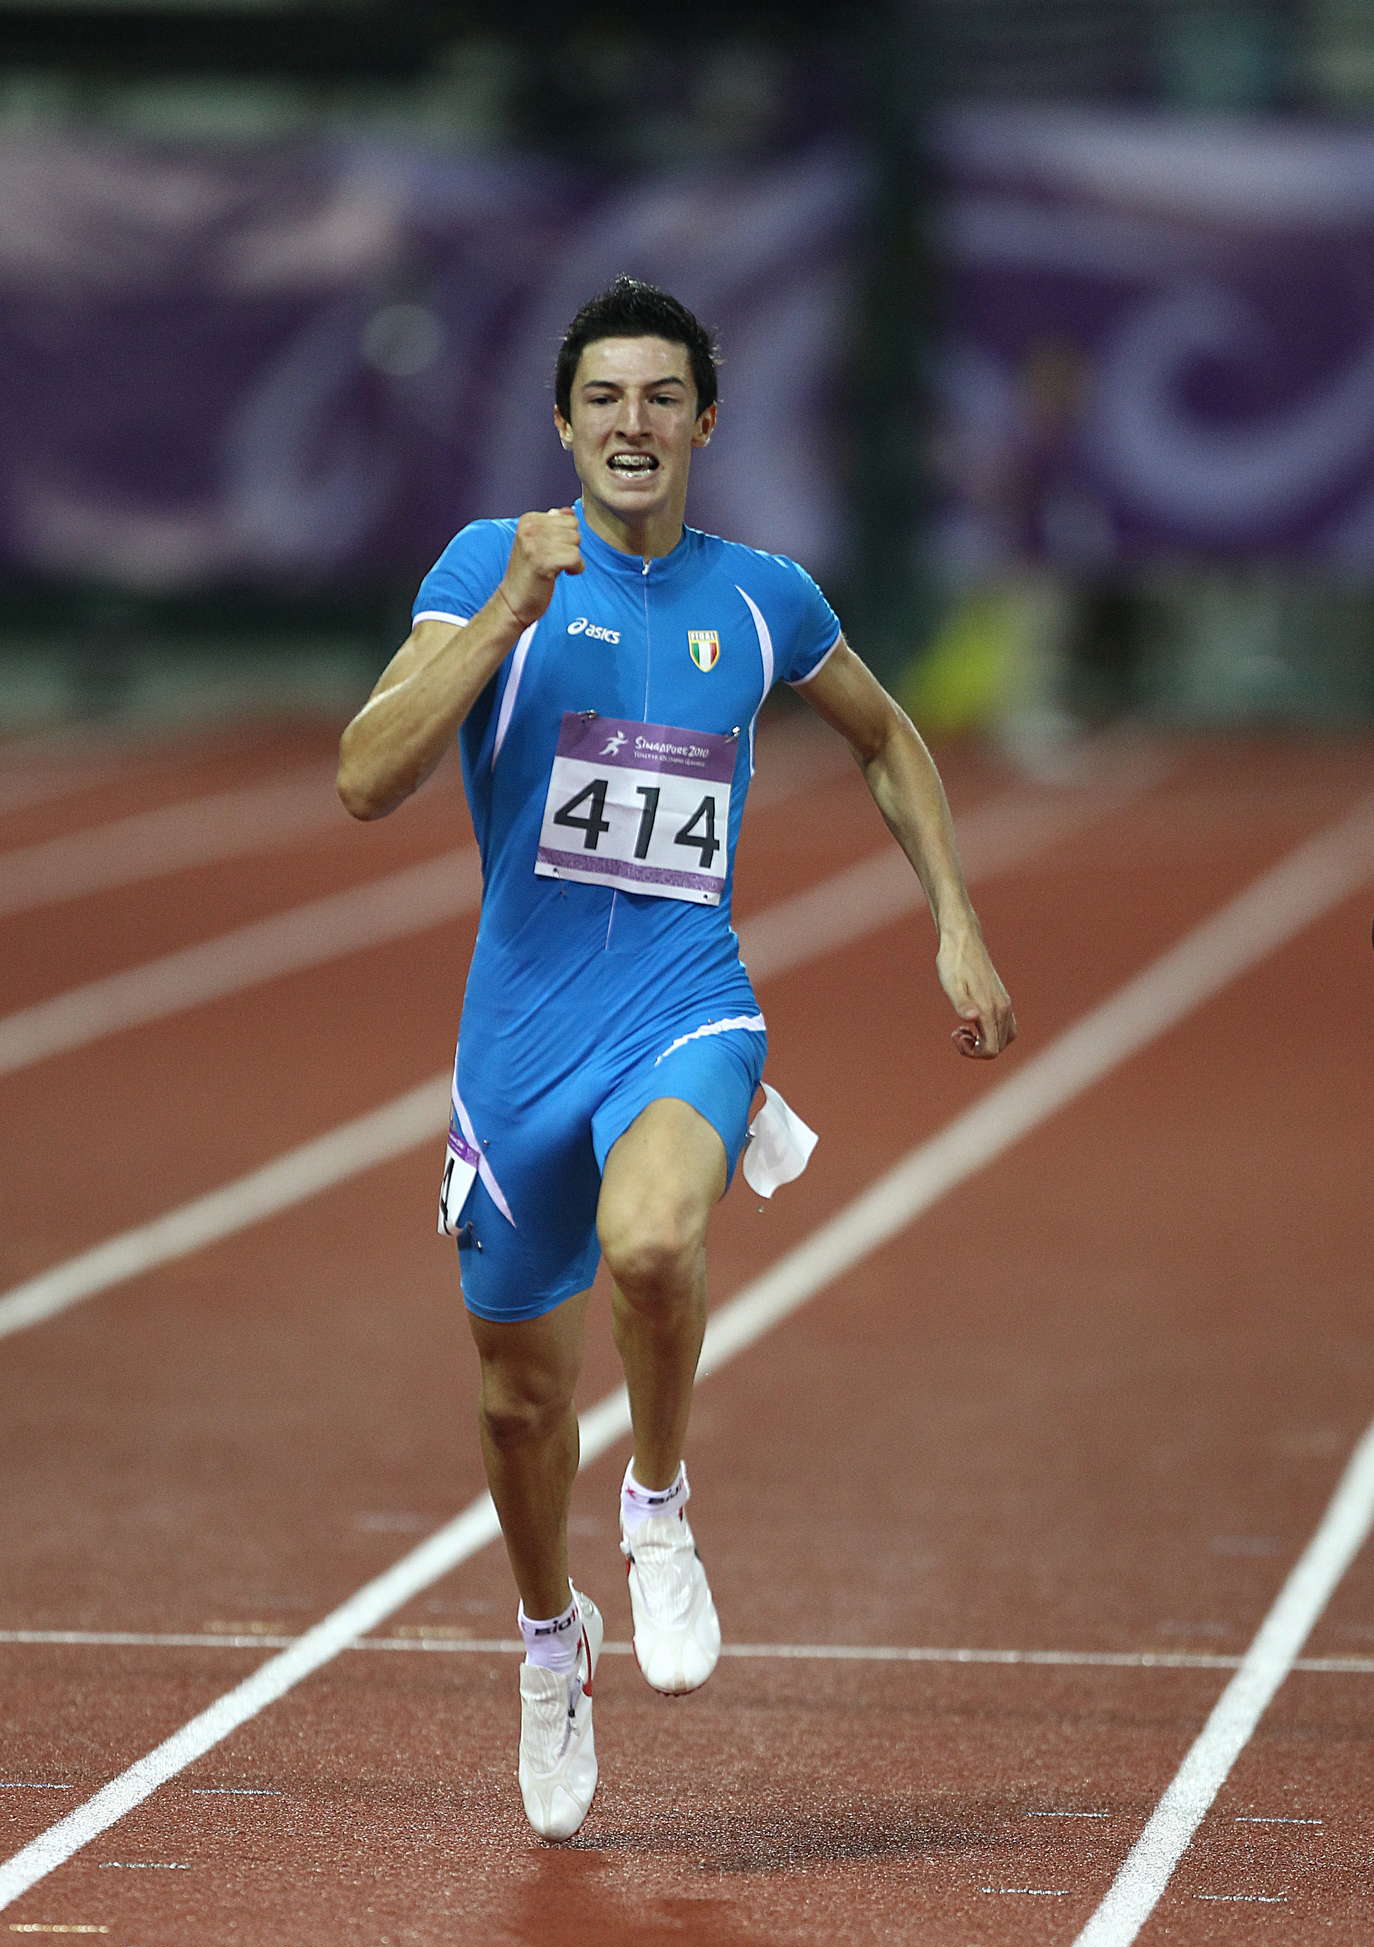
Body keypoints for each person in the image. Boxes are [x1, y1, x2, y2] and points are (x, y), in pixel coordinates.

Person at [336, 276, 1015, 1842]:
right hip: (520, 1045)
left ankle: (655, 1508)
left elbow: (885, 736)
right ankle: (547, 1642)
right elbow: (366, 777)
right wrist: (505, 613)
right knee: (518, 1403)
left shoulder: (765, 596)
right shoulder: (488, 568)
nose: (630, 423)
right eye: (603, 399)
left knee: (652, 1244)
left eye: (659, 397)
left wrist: (955, 923)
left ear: (704, 423)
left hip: (682, 1006)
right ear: (563, 424)